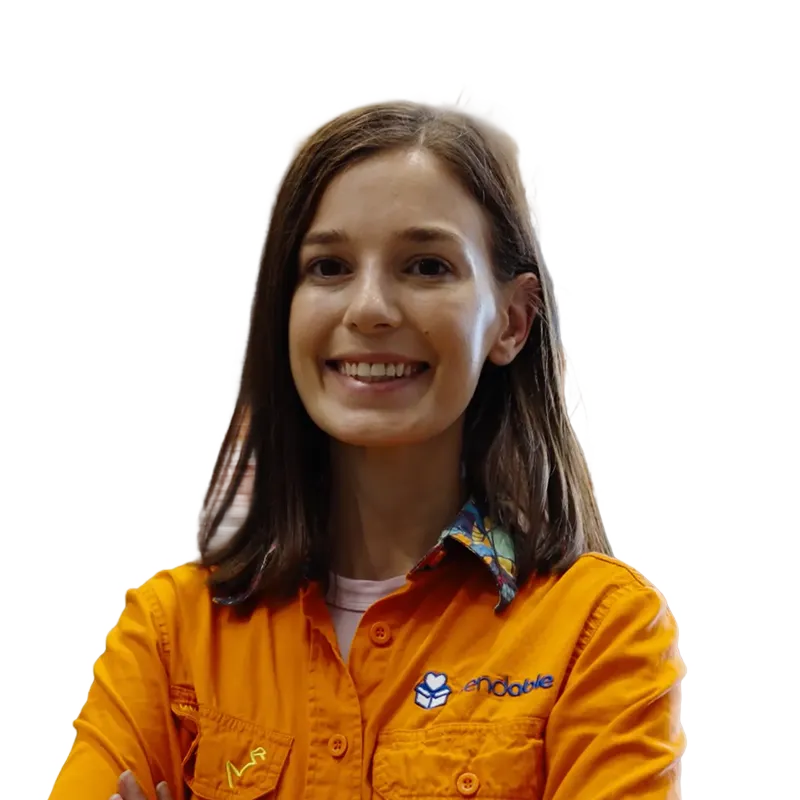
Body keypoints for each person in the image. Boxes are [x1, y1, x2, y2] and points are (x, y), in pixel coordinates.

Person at [49, 99, 686, 800]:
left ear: (512, 320)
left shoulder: (601, 631)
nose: (370, 308)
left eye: (426, 266)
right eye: (328, 267)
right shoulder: (171, 631)